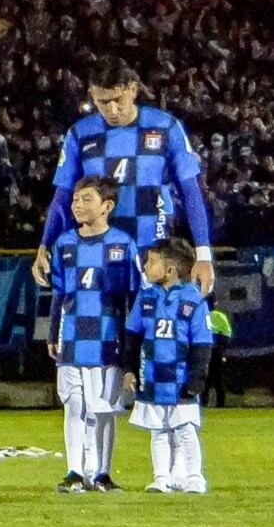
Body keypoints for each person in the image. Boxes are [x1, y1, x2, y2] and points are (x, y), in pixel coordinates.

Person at [34, 58, 214, 296]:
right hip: (96, 251)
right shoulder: (80, 134)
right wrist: (44, 245)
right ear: (92, 94)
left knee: (153, 330)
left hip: (154, 250)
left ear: (132, 88)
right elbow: (63, 196)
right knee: (93, 329)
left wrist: (203, 254)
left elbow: (190, 192)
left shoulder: (166, 127)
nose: (112, 110)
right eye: (102, 102)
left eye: (117, 100)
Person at [47, 175, 140, 492]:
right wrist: (52, 334)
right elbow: (59, 294)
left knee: (103, 409)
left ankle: (101, 472)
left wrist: (132, 343)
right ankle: (74, 471)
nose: (77, 204)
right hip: (71, 337)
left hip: (107, 338)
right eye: (75, 199)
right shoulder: (64, 243)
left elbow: (134, 298)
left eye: (86, 199)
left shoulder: (123, 245)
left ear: (107, 206)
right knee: (74, 404)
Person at [122, 237, 213, 494]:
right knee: (158, 431)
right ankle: (161, 477)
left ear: (170, 270)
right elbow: (132, 336)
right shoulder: (147, 297)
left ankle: (195, 477)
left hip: (180, 380)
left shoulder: (193, 300)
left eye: (152, 262)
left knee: (185, 430)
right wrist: (129, 369)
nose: (146, 268)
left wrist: (196, 380)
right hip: (151, 376)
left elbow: (202, 345)